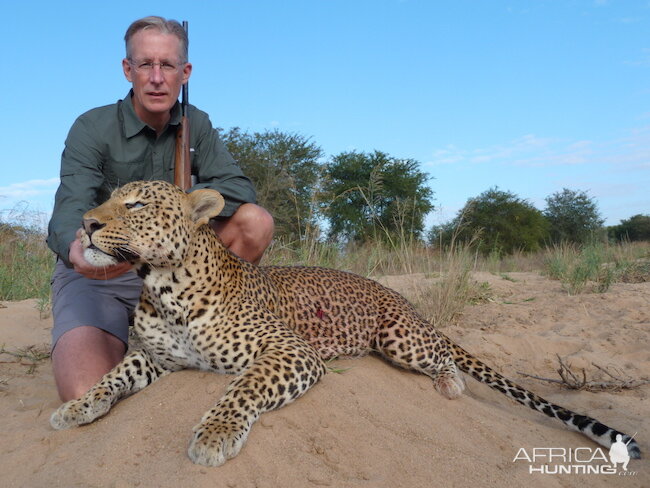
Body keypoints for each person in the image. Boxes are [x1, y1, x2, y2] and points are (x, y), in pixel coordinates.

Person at [47, 16, 274, 403]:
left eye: (167, 65)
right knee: (83, 390)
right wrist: (77, 252)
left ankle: (210, 335)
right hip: (107, 267)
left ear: (184, 73)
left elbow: (239, 188)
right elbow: (70, 207)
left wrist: (179, 205)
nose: (156, 77)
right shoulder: (91, 127)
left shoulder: (196, 124)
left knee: (255, 221)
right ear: (127, 70)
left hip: (174, 269)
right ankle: (133, 333)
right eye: (145, 64)